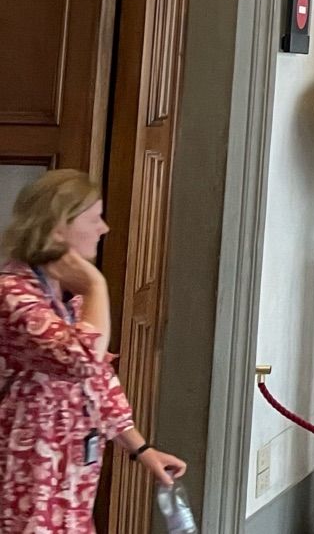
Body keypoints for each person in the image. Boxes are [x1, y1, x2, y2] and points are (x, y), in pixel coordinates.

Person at [1, 171, 186, 533]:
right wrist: (96, 283)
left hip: (70, 481)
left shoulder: (65, 299)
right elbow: (82, 361)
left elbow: (100, 384)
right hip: (29, 479)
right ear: (57, 228)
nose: (104, 228)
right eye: (93, 218)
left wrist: (143, 450)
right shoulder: (12, 294)